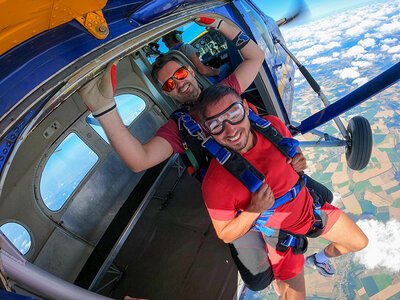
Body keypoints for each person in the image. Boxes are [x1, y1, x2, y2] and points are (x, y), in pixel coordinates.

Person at [78, 15, 333, 293]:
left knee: (324, 199)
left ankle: (312, 253)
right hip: (236, 201)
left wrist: (221, 25)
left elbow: (255, 58)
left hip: (273, 174)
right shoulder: (178, 128)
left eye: (179, 75)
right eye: (168, 85)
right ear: (168, 94)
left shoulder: (224, 93)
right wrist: (105, 111)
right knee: (259, 280)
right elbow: (139, 160)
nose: (177, 84)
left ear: (189, 69)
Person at [192, 85, 369, 299]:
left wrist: (299, 158)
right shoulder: (215, 181)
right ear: (207, 130)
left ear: (246, 108)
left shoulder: (271, 126)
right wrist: (253, 211)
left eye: (234, 114)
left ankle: (318, 260)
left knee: (359, 243)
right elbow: (225, 233)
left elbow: (291, 146)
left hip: (312, 211)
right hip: (284, 238)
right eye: (216, 124)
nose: (230, 130)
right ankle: (281, 276)